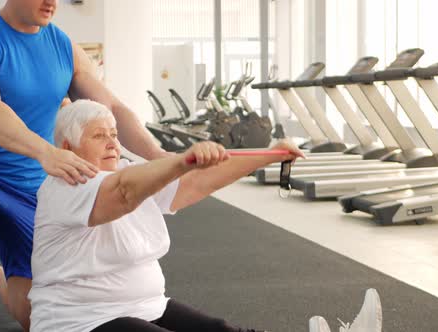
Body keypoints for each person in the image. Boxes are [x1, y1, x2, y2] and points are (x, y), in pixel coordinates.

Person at [0, 1, 168, 331]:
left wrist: (159, 156)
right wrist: (44, 151)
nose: (52, 2)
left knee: (38, 320)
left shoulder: (64, 47)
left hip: (34, 187)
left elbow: (112, 107)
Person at [29, 99, 306, 332]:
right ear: (68, 148)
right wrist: (183, 160)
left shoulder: (125, 169)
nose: (112, 143)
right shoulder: (66, 185)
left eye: (114, 135)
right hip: (80, 321)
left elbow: (196, 183)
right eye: (99, 136)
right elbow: (124, 193)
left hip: (147, 306)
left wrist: (270, 154)